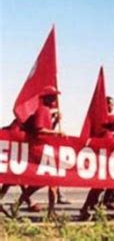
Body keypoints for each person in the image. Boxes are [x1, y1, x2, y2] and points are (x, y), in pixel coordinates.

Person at [14, 86, 64, 219]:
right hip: (39, 149)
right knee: (47, 180)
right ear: (47, 98)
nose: (55, 99)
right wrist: (57, 132)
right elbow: (39, 130)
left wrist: (55, 123)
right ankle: (48, 211)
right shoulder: (42, 110)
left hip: (43, 148)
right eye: (53, 96)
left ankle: (50, 211)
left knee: (49, 181)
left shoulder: (46, 111)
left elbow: (45, 130)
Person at [79, 114, 114, 220]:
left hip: (107, 166)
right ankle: (85, 208)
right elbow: (112, 143)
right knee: (99, 188)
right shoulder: (107, 135)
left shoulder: (106, 134)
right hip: (106, 166)